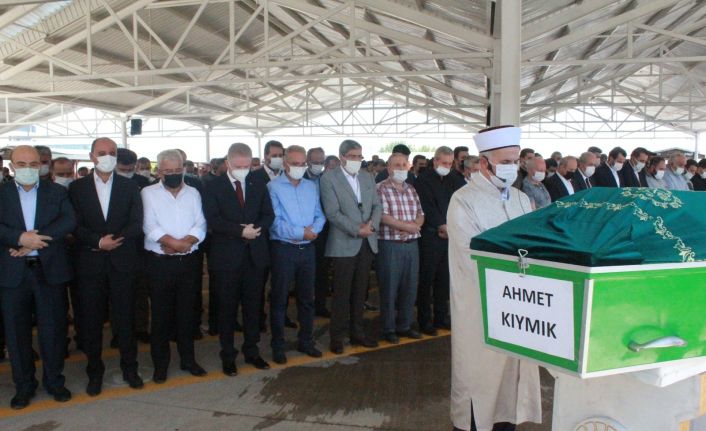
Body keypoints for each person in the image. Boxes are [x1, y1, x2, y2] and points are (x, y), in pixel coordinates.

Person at [447, 126, 540, 431]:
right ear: (485, 163)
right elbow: (470, 254)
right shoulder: (463, 200)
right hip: (481, 306)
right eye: (506, 162)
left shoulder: (520, 198)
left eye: (515, 161)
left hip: (520, 306)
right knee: (480, 379)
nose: (512, 168)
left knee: (511, 385)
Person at [0, 145, 76, 409]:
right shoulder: (2, 193)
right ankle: (24, 386)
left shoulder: (57, 192)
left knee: (53, 330)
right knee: (16, 333)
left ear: (42, 165)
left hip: (49, 271)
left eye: (34, 164)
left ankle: (54, 381)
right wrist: (19, 238)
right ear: (12, 167)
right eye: (22, 164)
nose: (29, 169)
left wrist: (34, 241)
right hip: (12, 273)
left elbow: (68, 220)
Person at [69, 137, 145, 396]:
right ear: (92, 156)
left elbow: (136, 222)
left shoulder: (129, 186)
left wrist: (115, 241)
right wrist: (98, 242)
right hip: (90, 264)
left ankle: (130, 368)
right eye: (102, 152)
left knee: (125, 319)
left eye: (112, 152)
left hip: (122, 262)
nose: (107, 156)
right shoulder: (77, 188)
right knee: (91, 321)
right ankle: (95, 372)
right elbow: (74, 224)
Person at [202, 143, 273, 376]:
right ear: (228, 163)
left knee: (253, 308)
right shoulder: (213, 186)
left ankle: (252, 351)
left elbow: (268, 214)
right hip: (226, 258)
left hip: (254, 256)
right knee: (227, 310)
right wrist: (240, 231)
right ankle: (228, 355)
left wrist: (256, 229)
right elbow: (212, 219)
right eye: (238, 166)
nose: (243, 170)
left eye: (247, 166)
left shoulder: (258, 184)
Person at [142, 150, 207, 383]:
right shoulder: (148, 193)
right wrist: (173, 243)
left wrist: (185, 244)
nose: (173, 174)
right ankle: (161, 365)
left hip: (188, 261)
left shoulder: (193, 193)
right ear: (159, 171)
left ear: (184, 169)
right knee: (161, 316)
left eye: (178, 170)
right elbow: (149, 225)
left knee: (187, 314)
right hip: (160, 263)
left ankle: (188, 360)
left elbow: (201, 222)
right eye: (168, 171)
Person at [320, 139, 382, 354]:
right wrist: (357, 229)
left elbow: (377, 205)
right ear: (342, 157)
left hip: (367, 242)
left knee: (360, 292)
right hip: (344, 243)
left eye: (359, 156)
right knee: (341, 293)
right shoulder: (329, 178)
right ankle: (336, 337)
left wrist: (371, 225)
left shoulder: (367, 177)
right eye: (353, 156)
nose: (357, 160)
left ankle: (357, 332)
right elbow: (332, 213)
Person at [268, 145, 326, 364]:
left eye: (303, 164)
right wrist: (302, 232)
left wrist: (312, 232)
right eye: (295, 163)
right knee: (280, 299)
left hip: (307, 249)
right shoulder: (273, 187)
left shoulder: (310, 187)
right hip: (284, 249)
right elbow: (275, 222)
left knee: (307, 299)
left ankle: (306, 341)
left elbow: (320, 215)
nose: (299, 167)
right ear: (285, 164)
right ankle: (278, 346)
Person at [414, 146, 464, 336]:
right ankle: (425, 320)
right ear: (435, 161)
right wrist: (441, 225)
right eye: (444, 163)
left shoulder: (454, 179)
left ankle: (441, 317)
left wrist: (452, 227)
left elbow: (460, 203)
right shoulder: (423, 180)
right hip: (430, 236)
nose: (447, 166)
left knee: (444, 279)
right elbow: (426, 207)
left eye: (450, 163)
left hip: (449, 236)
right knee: (426, 280)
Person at [376, 153, 425, 344]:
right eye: (397, 165)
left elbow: (421, 214)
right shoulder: (380, 188)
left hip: (411, 244)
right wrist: (408, 227)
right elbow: (383, 216)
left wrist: (413, 226)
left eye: (404, 165)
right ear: (388, 168)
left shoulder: (411, 189)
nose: (401, 168)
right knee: (389, 288)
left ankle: (405, 325)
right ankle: (388, 328)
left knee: (410, 287)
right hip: (390, 245)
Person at [304, 148, 330, 317]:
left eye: (321, 162)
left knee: (322, 270)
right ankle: (305, 306)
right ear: (308, 161)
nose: (318, 165)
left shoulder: (326, 178)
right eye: (315, 162)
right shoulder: (300, 178)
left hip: (324, 231)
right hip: (304, 230)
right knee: (305, 272)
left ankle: (320, 305)